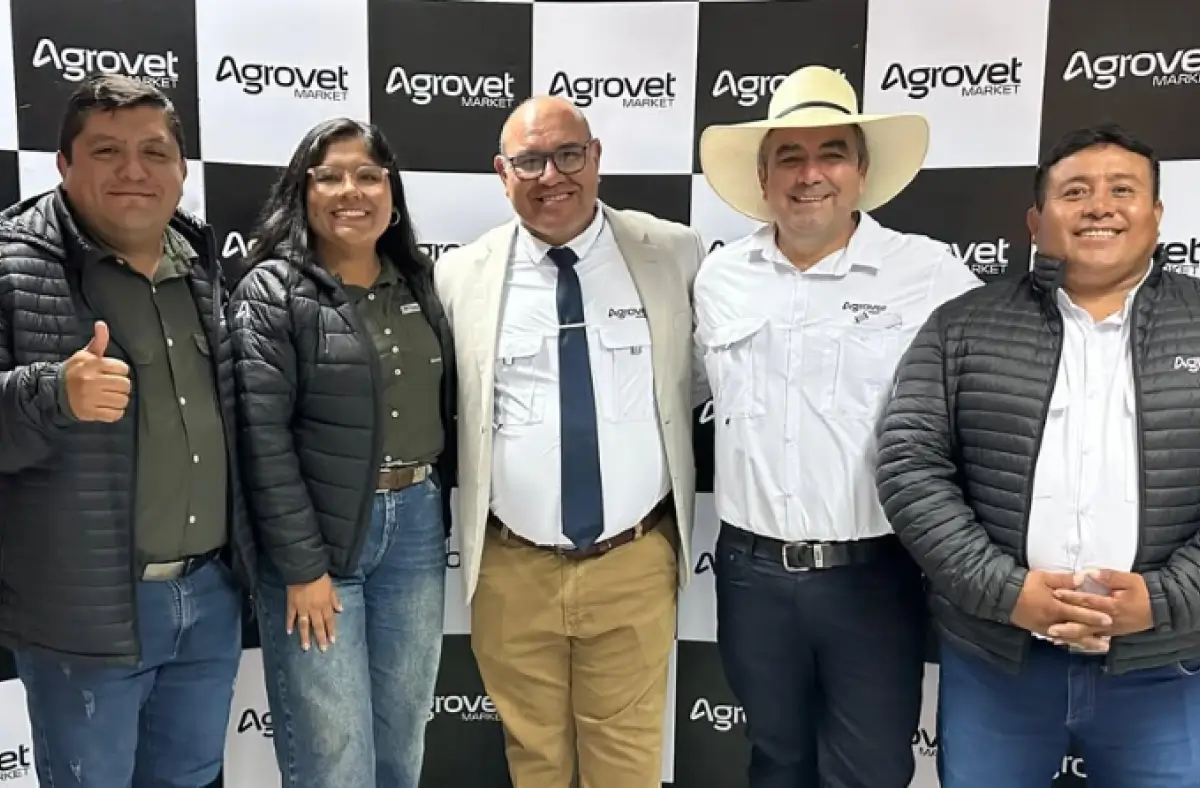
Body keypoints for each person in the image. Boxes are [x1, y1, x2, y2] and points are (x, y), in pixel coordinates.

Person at [876, 122, 1200, 787]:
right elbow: (910, 463)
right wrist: (1006, 591)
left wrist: (1166, 598)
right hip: (999, 662)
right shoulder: (962, 325)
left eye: (1122, 189)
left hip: (1163, 667)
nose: (1099, 206)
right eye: (1075, 191)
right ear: (1035, 219)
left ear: (1158, 214)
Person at [692, 65, 983, 788]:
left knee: (872, 771)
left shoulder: (928, 273)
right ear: (764, 177)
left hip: (873, 577)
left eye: (830, 153)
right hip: (751, 576)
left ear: (859, 172)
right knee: (775, 763)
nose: (809, 174)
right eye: (789, 156)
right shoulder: (720, 277)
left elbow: (997, 395)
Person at [434, 95, 704, 788]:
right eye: (529, 160)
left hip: (632, 564)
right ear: (502, 173)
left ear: (597, 159)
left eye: (568, 155)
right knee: (536, 764)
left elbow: (704, 383)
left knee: (627, 770)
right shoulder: (460, 275)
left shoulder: (672, 254)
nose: (551, 174)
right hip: (510, 569)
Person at [0, 73, 252, 786]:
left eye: (154, 151)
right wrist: (53, 393)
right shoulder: (10, 264)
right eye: (107, 151)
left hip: (209, 595)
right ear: (63, 165)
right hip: (86, 610)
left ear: (180, 168)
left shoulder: (202, 265)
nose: (135, 170)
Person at [228, 117, 455, 788]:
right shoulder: (272, 291)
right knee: (334, 754)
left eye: (368, 175)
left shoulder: (419, 283)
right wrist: (302, 568)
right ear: (302, 191)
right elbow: (260, 441)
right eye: (328, 175)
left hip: (415, 529)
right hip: (317, 544)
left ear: (393, 194)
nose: (350, 189)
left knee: (401, 737)